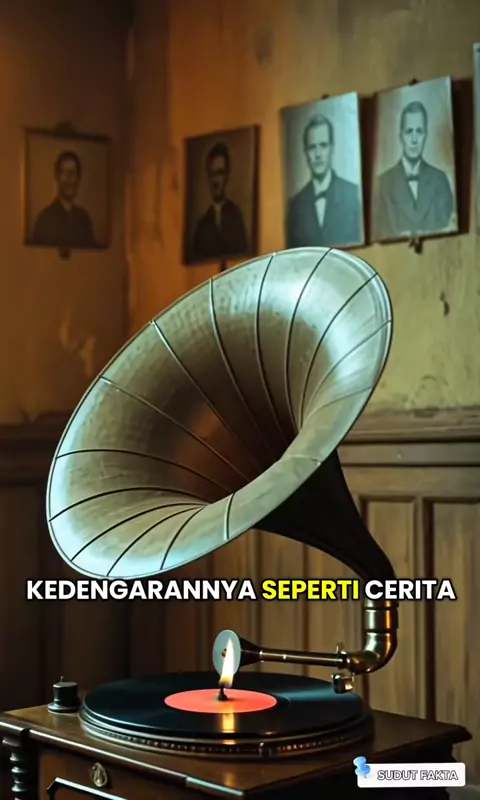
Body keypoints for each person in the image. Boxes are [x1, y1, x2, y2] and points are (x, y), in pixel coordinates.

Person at [374, 100, 454, 240]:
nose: (414, 140)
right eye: (409, 131)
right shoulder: (383, 184)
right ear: (400, 136)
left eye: (419, 131)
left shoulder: (440, 181)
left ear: (425, 135)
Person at [285, 114, 362, 248]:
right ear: (305, 153)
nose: (318, 154)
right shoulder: (296, 206)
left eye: (323, 145)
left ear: (332, 148)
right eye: (312, 147)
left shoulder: (352, 194)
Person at [192, 142, 248, 261]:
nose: (215, 181)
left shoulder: (236, 216)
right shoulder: (202, 225)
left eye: (220, 173)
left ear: (227, 176)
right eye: (212, 174)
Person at [31, 150, 96, 248]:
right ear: (57, 177)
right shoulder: (44, 219)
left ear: (78, 178)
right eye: (65, 173)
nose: (69, 179)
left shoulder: (84, 220)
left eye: (72, 173)